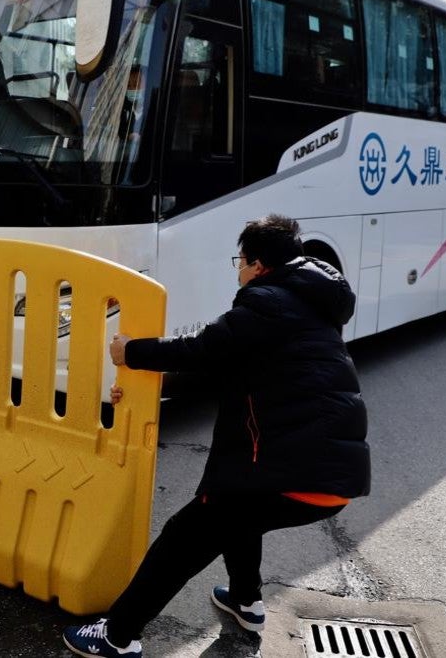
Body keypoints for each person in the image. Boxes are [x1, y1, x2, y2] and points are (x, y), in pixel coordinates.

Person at [62, 215, 371, 658]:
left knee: (183, 536)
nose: (239, 270)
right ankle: (247, 602)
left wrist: (130, 351)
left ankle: (118, 635)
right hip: (328, 478)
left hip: (293, 472)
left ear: (259, 265)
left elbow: (203, 350)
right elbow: (223, 371)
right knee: (240, 512)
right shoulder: (309, 308)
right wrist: (145, 389)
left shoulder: (266, 303)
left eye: (240, 261)